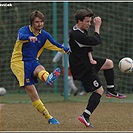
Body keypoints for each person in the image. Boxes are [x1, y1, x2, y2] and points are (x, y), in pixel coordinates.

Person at [69, 8, 126, 128]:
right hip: (82, 68)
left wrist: (90, 58)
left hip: (87, 62)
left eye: (90, 21)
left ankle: (111, 90)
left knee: (109, 63)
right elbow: (95, 40)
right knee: (99, 91)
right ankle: (85, 116)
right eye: (87, 22)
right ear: (79, 21)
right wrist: (97, 26)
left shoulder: (81, 30)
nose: (89, 24)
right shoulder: (76, 34)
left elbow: (87, 47)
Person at [10, 10, 70, 125]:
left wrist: (67, 50)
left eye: (41, 21)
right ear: (32, 22)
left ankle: (48, 78)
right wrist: (29, 38)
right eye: (37, 22)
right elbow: (21, 36)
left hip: (33, 61)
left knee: (40, 68)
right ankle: (49, 117)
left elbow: (55, 44)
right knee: (33, 92)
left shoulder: (44, 35)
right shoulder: (24, 30)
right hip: (19, 64)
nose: (40, 24)